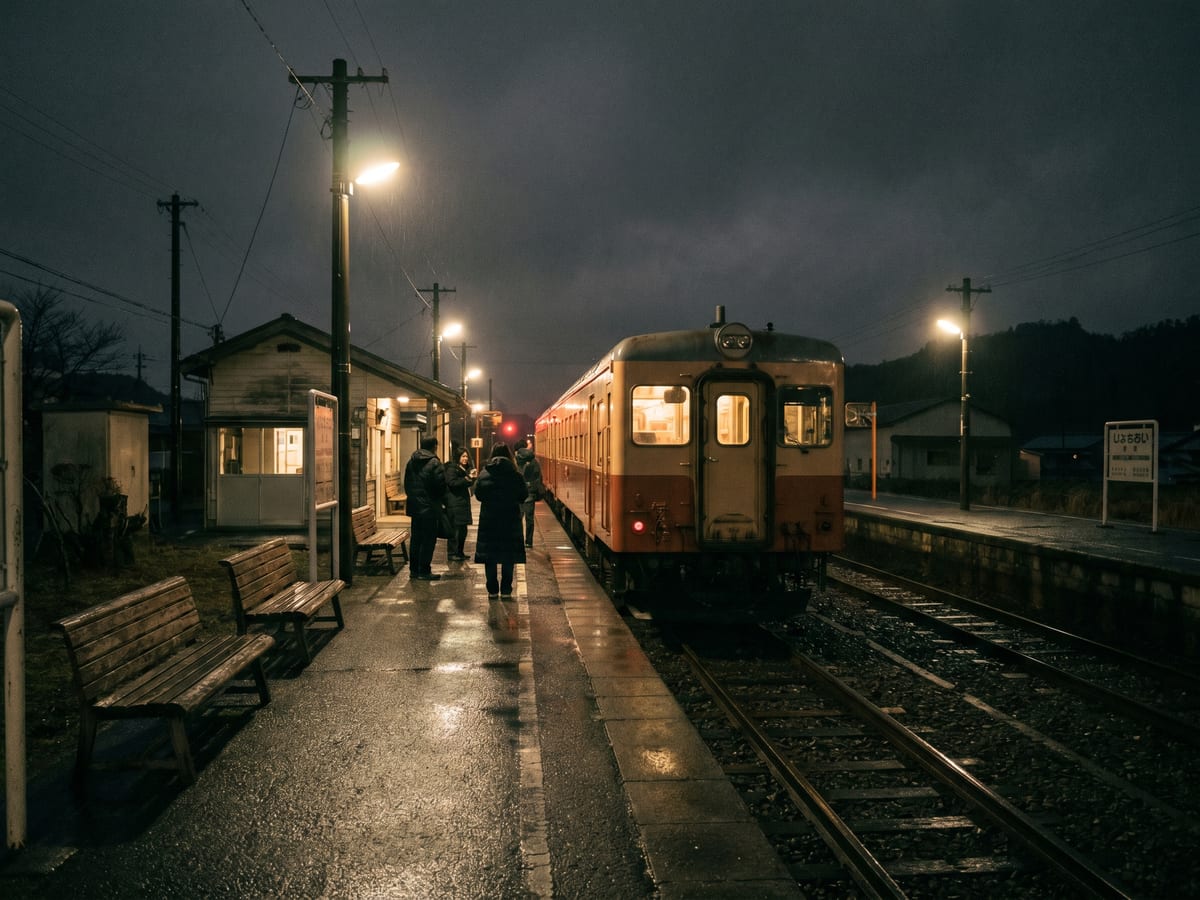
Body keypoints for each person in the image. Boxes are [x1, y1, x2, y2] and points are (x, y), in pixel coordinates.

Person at [472, 442, 527, 598]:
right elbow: (523, 495)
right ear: (509, 455)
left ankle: (492, 590)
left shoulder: (484, 473)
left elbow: (479, 495)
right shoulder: (515, 474)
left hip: (489, 520)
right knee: (508, 555)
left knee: (490, 556)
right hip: (510, 520)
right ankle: (506, 590)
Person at [403, 435, 447, 580]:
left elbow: (407, 484)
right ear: (434, 445)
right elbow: (440, 486)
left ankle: (413, 570)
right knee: (428, 540)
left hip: (415, 507)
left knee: (416, 538)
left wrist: (414, 498)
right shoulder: (435, 462)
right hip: (429, 507)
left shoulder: (411, 462)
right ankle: (424, 570)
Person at [443, 448, 476, 561]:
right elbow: (452, 483)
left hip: (462, 502)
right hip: (454, 502)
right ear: (457, 457)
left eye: (466, 456)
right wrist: (467, 479)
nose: (465, 458)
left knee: (463, 529)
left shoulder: (464, 468)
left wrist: (472, 478)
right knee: (455, 529)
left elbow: (466, 483)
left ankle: (460, 552)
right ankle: (452, 553)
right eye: (463, 456)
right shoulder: (452, 469)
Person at [514, 439, 543, 548]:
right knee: (529, 519)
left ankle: (518, 540)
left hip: (518, 493)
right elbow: (539, 477)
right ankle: (529, 542)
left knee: (518, 518)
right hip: (530, 494)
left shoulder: (515, 461)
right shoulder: (534, 461)